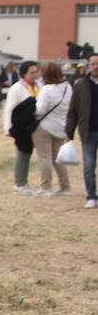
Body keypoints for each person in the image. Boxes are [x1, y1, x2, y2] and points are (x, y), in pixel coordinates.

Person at [33, 63, 72, 196]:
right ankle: (65, 186)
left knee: (45, 157)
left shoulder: (46, 90)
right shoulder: (68, 87)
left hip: (45, 126)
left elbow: (40, 110)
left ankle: (46, 187)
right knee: (58, 158)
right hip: (61, 126)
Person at [65, 53, 98, 209]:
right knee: (89, 166)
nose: (95, 66)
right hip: (88, 131)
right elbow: (73, 111)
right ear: (88, 66)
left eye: (97, 63)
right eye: (93, 64)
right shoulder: (80, 85)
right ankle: (91, 195)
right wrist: (68, 133)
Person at [4, 60, 41, 194]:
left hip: (33, 126)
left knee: (28, 154)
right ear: (24, 74)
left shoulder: (38, 86)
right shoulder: (16, 88)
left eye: (37, 71)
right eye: (32, 72)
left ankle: (24, 182)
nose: (35, 74)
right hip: (20, 127)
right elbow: (9, 109)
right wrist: (8, 128)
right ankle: (19, 183)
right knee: (22, 154)